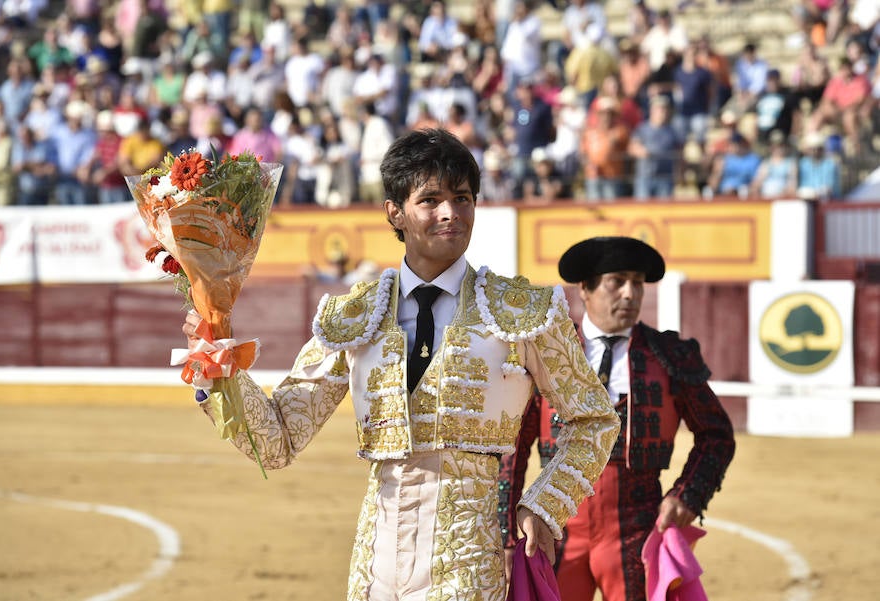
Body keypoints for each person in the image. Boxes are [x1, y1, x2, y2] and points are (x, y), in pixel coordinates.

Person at [180, 128, 621, 600]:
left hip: (468, 562)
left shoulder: (521, 311)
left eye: (462, 198)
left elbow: (594, 420)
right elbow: (278, 441)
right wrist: (217, 362)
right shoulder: (356, 315)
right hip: (375, 566)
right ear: (395, 212)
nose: (450, 212)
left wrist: (545, 504)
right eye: (430, 200)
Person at [498, 235, 736, 601]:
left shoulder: (668, 355)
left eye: (637, 283)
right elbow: (512, 445)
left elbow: (716, 435)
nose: (630, 294)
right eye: (617, 282)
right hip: (555, 528)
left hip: (637, 529)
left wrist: (687, 495)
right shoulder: (547, 353)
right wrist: (505, 535)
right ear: (585, 288)